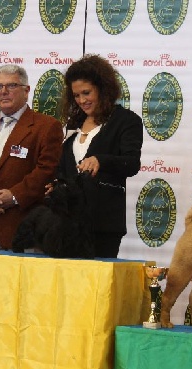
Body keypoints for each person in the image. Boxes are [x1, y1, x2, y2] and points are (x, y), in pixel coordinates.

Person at [0, 64, 63, 249]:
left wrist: (15, 195)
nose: (4, 92)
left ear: (26, 90)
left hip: (26, 230)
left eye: (12, 86)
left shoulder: (47, 126)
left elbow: (46, 170)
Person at [56, 54, 142, 258]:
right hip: (68, 222)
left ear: (103, 89)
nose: (82, 100)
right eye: (76, 96)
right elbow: (66, 166)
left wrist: (101, 160)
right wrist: (56, 183)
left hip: (104, 222)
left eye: (86, 93)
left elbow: (131, 164)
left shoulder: (126, 121)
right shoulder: (73, 123)